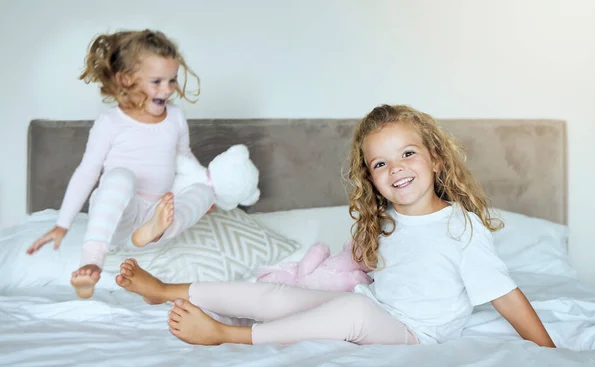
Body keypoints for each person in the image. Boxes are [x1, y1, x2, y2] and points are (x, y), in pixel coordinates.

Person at [115, 104, 556, 348]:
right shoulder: (387, 221)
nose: (396, 169)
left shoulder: (462, 227)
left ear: (436, 158)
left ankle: (228, 334)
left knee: (353, 312)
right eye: (380, 163)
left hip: (415, 334)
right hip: (379, 306)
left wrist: (549, 352)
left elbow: (506, 295)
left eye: (408, 154)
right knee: (280, 295)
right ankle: (167, 290)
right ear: (372, 178)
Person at [27, 29, 214, 299]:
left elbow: (184, 157)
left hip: (158, 212)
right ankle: (91, 262)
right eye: (157, 81)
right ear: (126, 79)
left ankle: (153, 232)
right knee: (120, 176)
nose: (168, 89)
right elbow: (87, 172)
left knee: (206, 190)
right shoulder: (111, 123)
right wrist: (62, 224)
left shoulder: (175, 117)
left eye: (172, 80)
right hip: (121, 214)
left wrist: (205, 192)